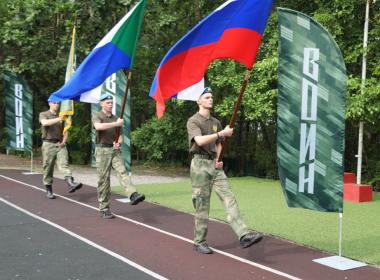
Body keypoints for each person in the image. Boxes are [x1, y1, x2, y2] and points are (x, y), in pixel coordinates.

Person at [187, 87, 263, 254]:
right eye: (206, 97)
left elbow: (219, 143)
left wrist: (218, 159)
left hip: (215, 167)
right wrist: (221, 133)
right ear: (199, 101)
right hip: (199, 165)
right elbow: (199, 141)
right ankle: (199, 241)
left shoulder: (215, 122)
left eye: (211, 97)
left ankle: (244, 235)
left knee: (229, 198)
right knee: (202, 204)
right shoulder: (193, 121)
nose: (210, 99)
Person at [92, 93, 145, 219]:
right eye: (107, 102)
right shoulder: (98, 116)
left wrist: (118, 142)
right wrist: (116, 124)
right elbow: (98, 127)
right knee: (104, 180)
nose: (110, 104)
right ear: (101, 104)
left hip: (114, 151)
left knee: (122, 172)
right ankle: (104, 208)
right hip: (102, 150)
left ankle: (133, 194)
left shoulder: (116, 118)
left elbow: (120, 136)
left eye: (111, 102)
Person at [39, 101, 82, 199]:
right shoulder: (44, 114)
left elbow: (65, 131)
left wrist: (64, 141)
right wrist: (59, 118)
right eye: (54, 103)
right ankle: (49, 190)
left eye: (58, 103)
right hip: (48, 144)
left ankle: (71, 183)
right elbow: (45, 123)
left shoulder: (62, 115)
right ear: (49, 103)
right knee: (48, 168)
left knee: (64, 164)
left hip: (60, 144)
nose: (56, 105)